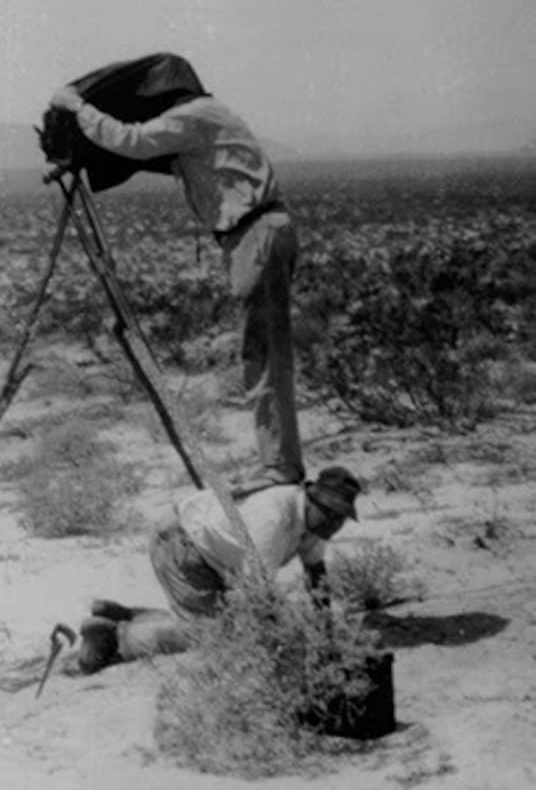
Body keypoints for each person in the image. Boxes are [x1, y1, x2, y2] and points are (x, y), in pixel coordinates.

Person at [49, 70, 302, 494]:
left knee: (263, 355)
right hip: (259, 234)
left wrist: (78, 106)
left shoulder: (194, 115)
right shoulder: (207, 117)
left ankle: (280, 467)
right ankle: (280, 462)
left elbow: (133, 142)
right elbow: (147, 156)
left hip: (254, 236)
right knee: (264, 352)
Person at [77, 466, 363, 673]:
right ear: (310, 498)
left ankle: (121, 614)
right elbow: (258, 597)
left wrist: (326, 634)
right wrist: (287, 646)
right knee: (211, 635)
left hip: (208, 554)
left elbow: (317, 576)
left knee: (225, 623)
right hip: (181, 545)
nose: (334, 523)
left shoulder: (312, 522)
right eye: (330, 513)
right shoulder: (273, 519)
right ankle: (115, 637)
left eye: (341, 518)